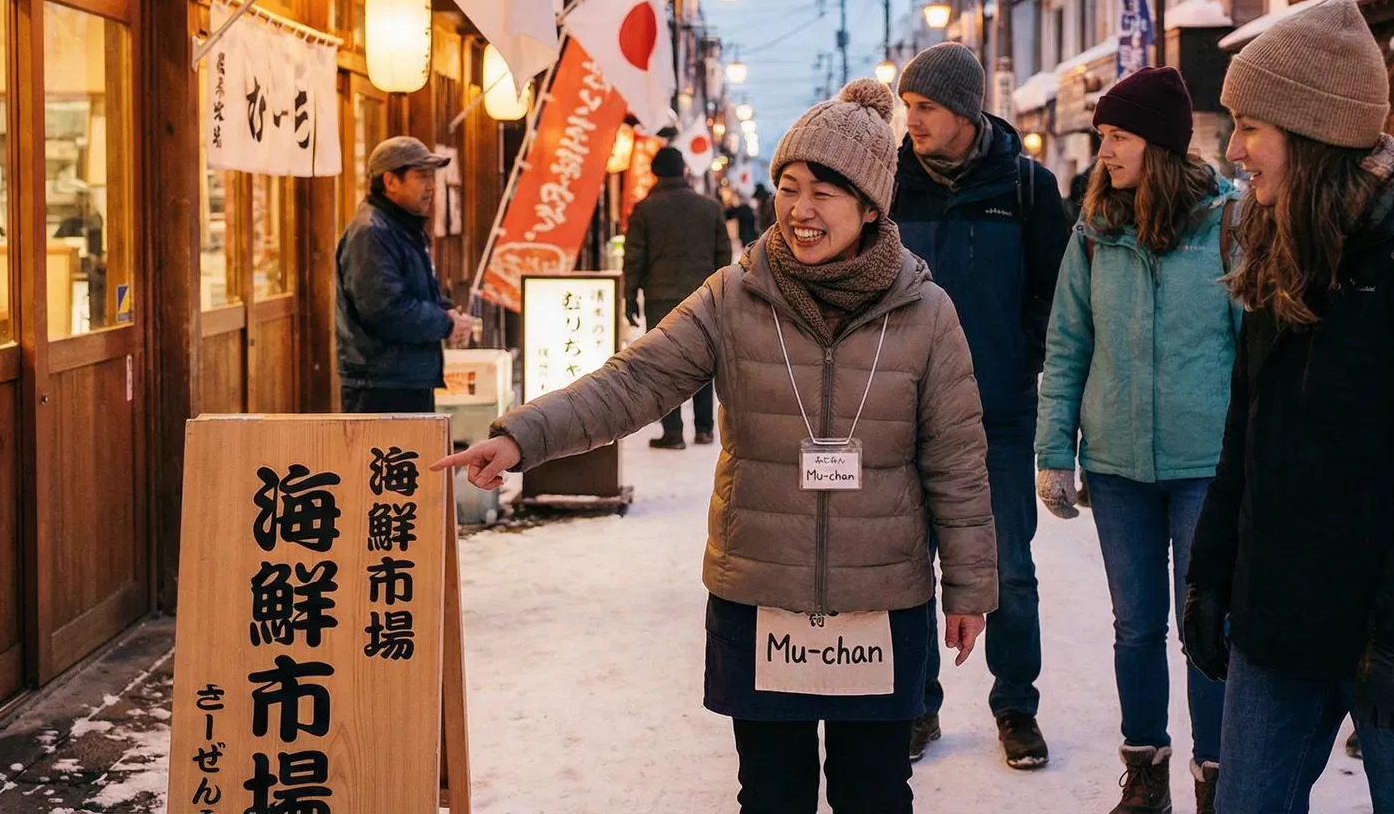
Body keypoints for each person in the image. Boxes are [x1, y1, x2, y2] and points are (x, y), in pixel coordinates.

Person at [435, 81, 997, 814]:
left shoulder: (926, 313)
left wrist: (970, 587)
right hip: (760, 595)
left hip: (879, 600)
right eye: (789, 187)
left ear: (870, 206)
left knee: (876, 794)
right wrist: (523, 434)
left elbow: (956, 459)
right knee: (770, 793)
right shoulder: (733, 297)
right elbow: (635, 381)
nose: (800, 210)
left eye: (825, 192)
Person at [1182, 0, 1394, 814]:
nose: (1235, 151)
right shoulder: (1280, 243)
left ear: (1314, 133)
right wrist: (1211, 577)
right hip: (1282, 618)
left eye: (1251, 126)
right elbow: (1247, 437)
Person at [1034, 68, 1236, 814]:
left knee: (1206, 624)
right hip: (1116, 466)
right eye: (1103, 137)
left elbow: (1255, 356)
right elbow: (1067, 345)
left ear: (1159, 143)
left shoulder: (1229, 226)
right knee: (1136, 626)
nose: (1104, 151)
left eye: (1117, 137)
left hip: (1205, 466)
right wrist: (1056, 452)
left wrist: (1257, 463)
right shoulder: (1094, 232)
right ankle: (1146, 769)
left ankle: (1218, 775)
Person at [892, 42, 1073, 768]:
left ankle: (1017, 707)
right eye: (907, 107)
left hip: (997, 413)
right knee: (907, 566)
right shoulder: (888, 184)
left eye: (926, 108)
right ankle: (915, 706)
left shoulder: (1028, 187)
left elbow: (1056, 295)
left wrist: (1018, 358)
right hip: (902, 413)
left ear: (965, 112)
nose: (913, 122)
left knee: (1007, 570)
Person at [335, 136, 471, 413]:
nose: (431, 187)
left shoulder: (401, 227)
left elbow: (420, 292)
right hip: (380, 383)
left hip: (403, 376)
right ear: (390, 182)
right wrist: (445, 324)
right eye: (421, 177)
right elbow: (385, 310)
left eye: (432, 177)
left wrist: (449, 314)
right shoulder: (372, 232)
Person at [624, 145, 732, 448]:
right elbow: (723, 252)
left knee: (663, 363)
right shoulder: (709, 207)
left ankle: (672, 432)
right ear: (684, 169)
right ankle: (705, 428)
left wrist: (630, 296)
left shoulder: (645, 209)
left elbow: (635, 257)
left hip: (660, 297)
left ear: (656, 172)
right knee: (703, 360)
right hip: (704, 295)